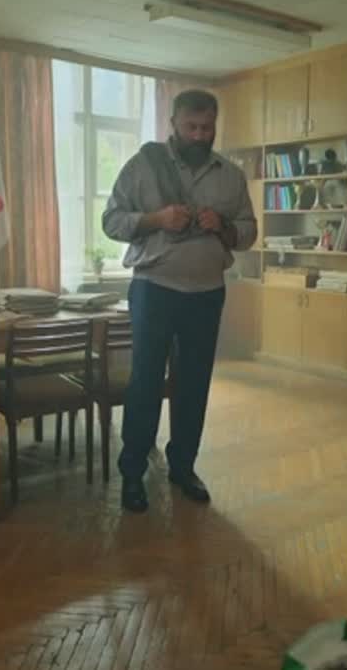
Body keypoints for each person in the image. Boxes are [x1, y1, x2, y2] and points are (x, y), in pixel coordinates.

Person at [102, 89, 257, 513]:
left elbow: (248, 232)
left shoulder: (231, 176)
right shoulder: (142, 166)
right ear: (173, 123)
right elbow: (111, 221)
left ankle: (183, 467)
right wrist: (157, 219)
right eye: (192, 127)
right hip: (154, 289)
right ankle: (133, 473)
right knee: (146, 382)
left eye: (207, 127)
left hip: (206, 295)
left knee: (194, 385)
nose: (200, 135)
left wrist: (222, 225)